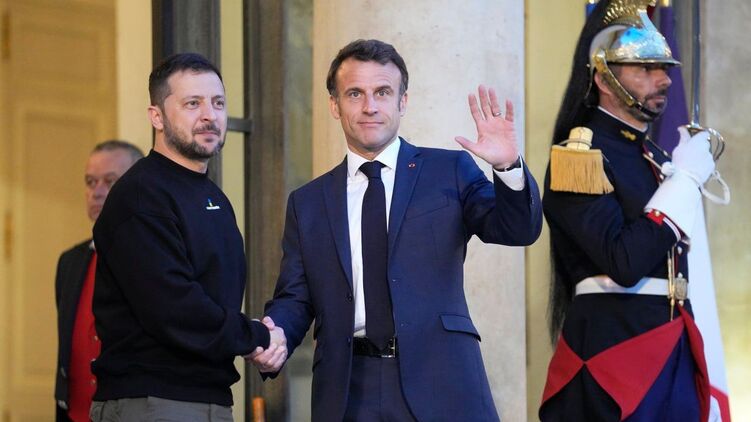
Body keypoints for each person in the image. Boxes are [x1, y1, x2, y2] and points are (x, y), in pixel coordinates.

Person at [250, 39, 542, 421]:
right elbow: (296, 297)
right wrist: (277, 334)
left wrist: (508, 168)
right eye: (355, 93)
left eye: (383, 92)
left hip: (442, 380)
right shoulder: (307, 202)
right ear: (334, 105)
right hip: (348, 390)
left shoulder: (449, 171)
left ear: (403, 102)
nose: (370, 106)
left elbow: (517, 229)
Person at [538, 1, 715, 421]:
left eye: (664, 68)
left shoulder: (655, 156)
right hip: (612, 357)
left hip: (672, 345)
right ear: (603, 78)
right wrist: (684, 183)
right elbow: (624, 262)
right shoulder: (579, 158)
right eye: (645, 69)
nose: (663, 80)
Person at [90, 53, 285, 421]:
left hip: (210, 399)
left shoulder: (214, 198)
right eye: (192, 103)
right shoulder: (141, 195)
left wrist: (259, 337)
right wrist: (257, 337)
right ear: (157, 116)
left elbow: (215, 302)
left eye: (218, 103)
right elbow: (175, 308)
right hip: (153, 400)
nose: (209, 115)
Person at [54, 140, 143, 422]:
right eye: (91, 182)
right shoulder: (70, 262)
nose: (97, 192)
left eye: (110, 181)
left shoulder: (154, 259)